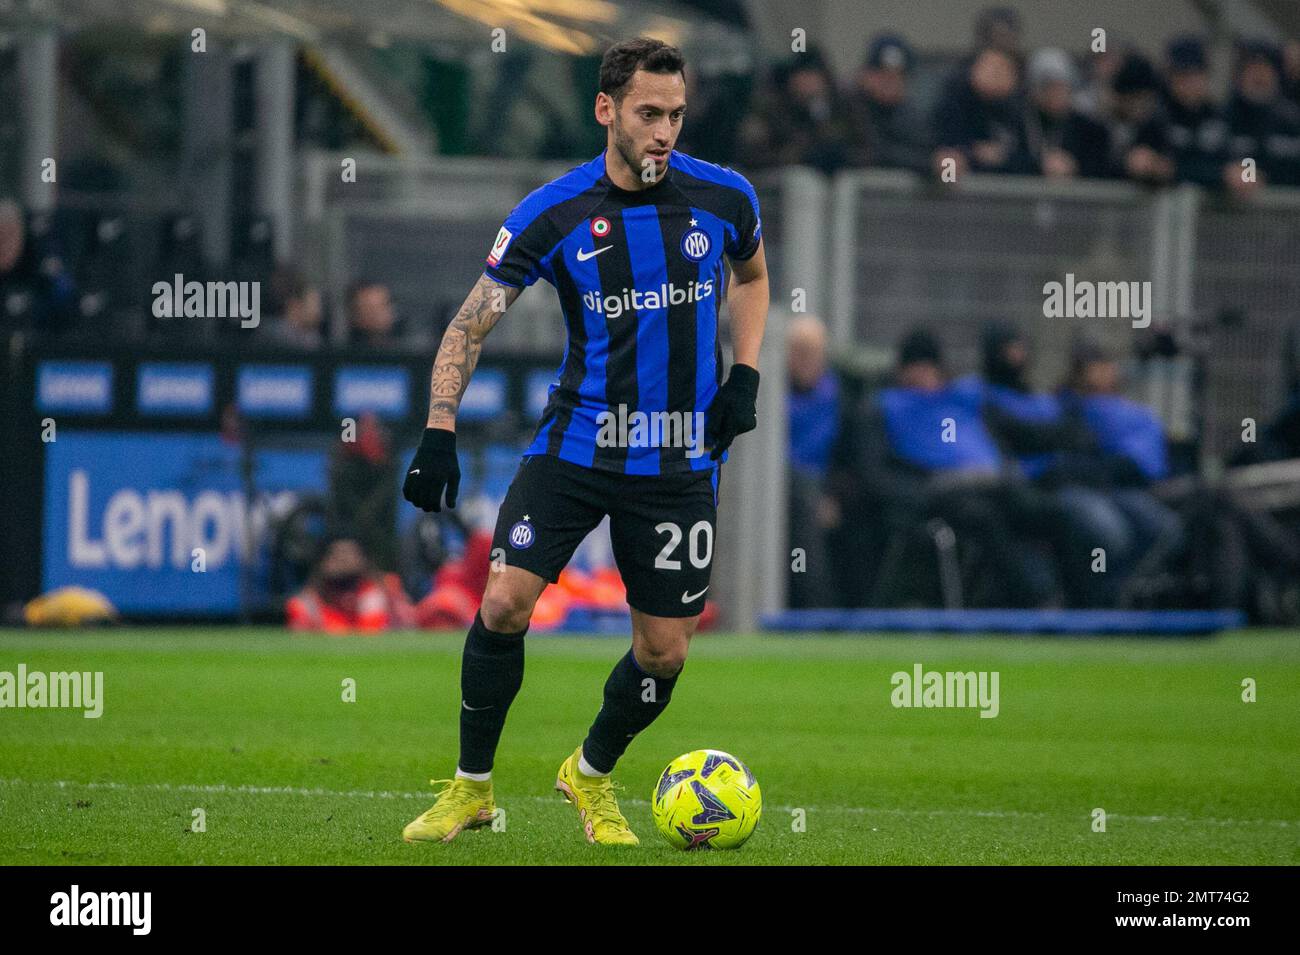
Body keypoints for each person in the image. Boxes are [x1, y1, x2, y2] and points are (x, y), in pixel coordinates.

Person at [399, 37, 768, 847]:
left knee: (664, 652)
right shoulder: (554, 211)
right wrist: (438, 431)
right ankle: (470, 789)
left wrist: (744, 372)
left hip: (678, 462)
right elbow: (471, 323)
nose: (664, 130)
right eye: (648, 113)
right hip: (576, 447)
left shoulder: (725, 197)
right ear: (607, 110)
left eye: (675, 113)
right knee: (501, 603)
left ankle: (591, 775)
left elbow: (751, 276)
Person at [836, 329, 1060, 608]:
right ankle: (1032, 600)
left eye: (929, 369)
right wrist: (921, 494)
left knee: (1040, 510)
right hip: (938, 493)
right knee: (985, 518)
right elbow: (876, 473)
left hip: (992, 485)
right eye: (916, 369)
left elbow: (1010, 439)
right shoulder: (884, 407)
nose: (924, 377)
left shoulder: (961, 400)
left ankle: (1063, 600)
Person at [786, 315, 840, 607]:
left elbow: (849, 457)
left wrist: (832, 494)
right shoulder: (769, 396)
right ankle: (815, 607)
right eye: (799, 352)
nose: (806, 361)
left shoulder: (840, 397)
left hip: (828, 489)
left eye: (813, 353)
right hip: (784, 491)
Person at [932, 47, 1035, 177]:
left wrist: (1002, 157)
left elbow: (1032, 161)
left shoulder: (1024, 111)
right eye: (990, 67)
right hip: (959, 189)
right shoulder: (953, 104)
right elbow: (943, 158)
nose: (995, 75)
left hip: (1008, 189)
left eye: (1003, 69)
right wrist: (972, 154)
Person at [285, 535, 414, 633]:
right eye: (336, 555)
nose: (343, 559)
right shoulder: (306, 604)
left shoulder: (383, 591)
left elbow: (372, 632)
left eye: (352, 584)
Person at [845, 34, 932, 173]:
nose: (890, 83)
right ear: (865, 74)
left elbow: (926, 147)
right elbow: (874, 151)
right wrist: (928, 163)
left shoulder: (907, 114)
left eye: (898, 76)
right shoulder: (849, 105)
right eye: (882, 75)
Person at [1024, 48, 1112, 179]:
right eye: (1048, 87)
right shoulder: (1020, 120)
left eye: (1061, 87)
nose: (1056, 94)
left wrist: (1074, 167)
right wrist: (1038, 164)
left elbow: (1103, 167)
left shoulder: (1090, 129)